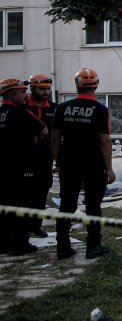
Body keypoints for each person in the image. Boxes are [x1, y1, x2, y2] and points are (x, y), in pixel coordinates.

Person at [51, 68, 114, 260]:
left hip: (69, 162)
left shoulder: (62, 108)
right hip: (93, 164)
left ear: (77, 84)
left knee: (66, 205)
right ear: (96, 85)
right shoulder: (101, 110)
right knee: (93, 206)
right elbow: (105, 141)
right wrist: (109, 168)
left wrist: (58, 161)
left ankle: (62, 247)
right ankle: (93, 247)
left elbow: (55, 139)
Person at [0, 78, 46, 255]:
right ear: (12, 94)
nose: (25, 95)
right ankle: (20, 243)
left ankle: (3, 242)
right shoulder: (21, 112)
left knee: (4, 204)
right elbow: (43, 131)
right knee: (23, 204)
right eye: (22, 92)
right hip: (21, 166)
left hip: (3, 167)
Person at [24, 74, 56, 238]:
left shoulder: (54, 108)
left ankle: (36, 226)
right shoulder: (22, 107)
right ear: (32, 88)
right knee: (24, 192)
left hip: (45, 158)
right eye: (41, 89)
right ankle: (22, 228)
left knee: (42, 191)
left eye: (48, 89)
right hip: (24, 159)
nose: (45, 92)